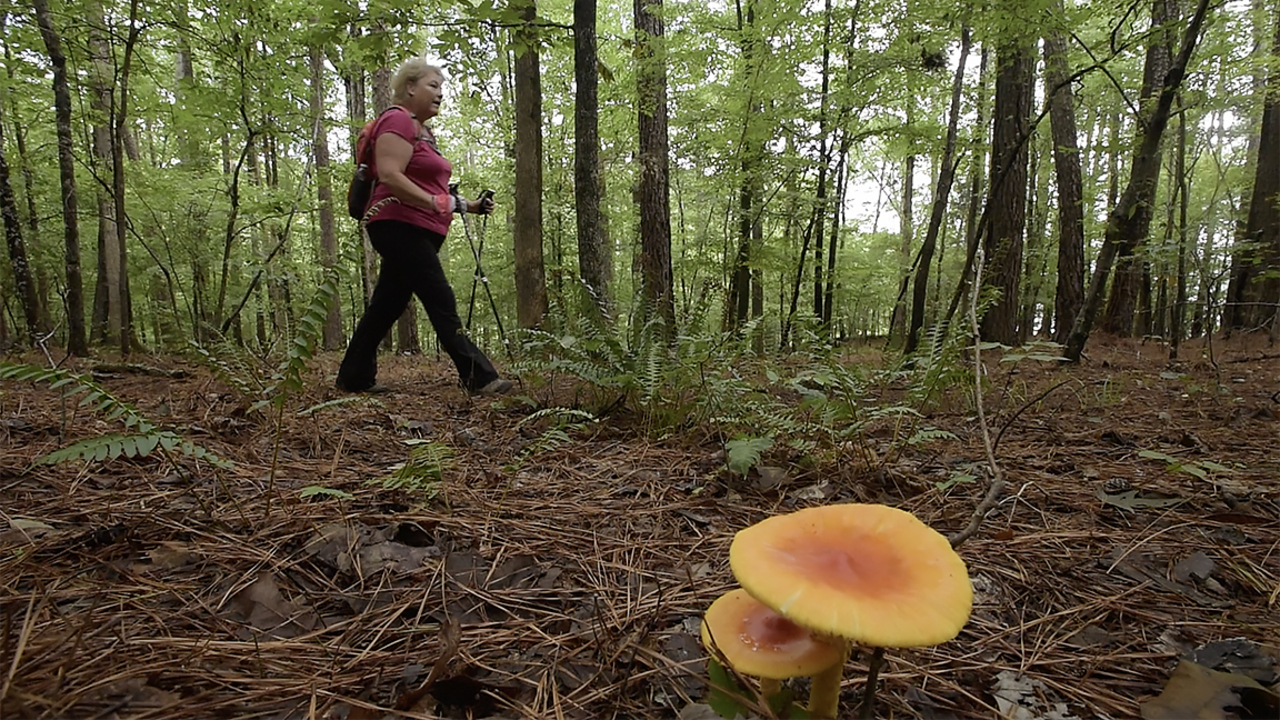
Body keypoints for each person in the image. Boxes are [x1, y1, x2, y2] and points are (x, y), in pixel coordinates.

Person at [336, 59, 513, 396]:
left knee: (387, 304)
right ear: (410, 87)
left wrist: (470, 206)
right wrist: (434, 203)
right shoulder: (397, 119)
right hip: (398, 224)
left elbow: (432, 191)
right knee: (439, 296)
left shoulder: (422, 132)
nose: (440, 94)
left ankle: (354, 374)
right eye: (433, 86)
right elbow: (389, 174)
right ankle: (478, 375)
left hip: (416, 227)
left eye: (442, 88)